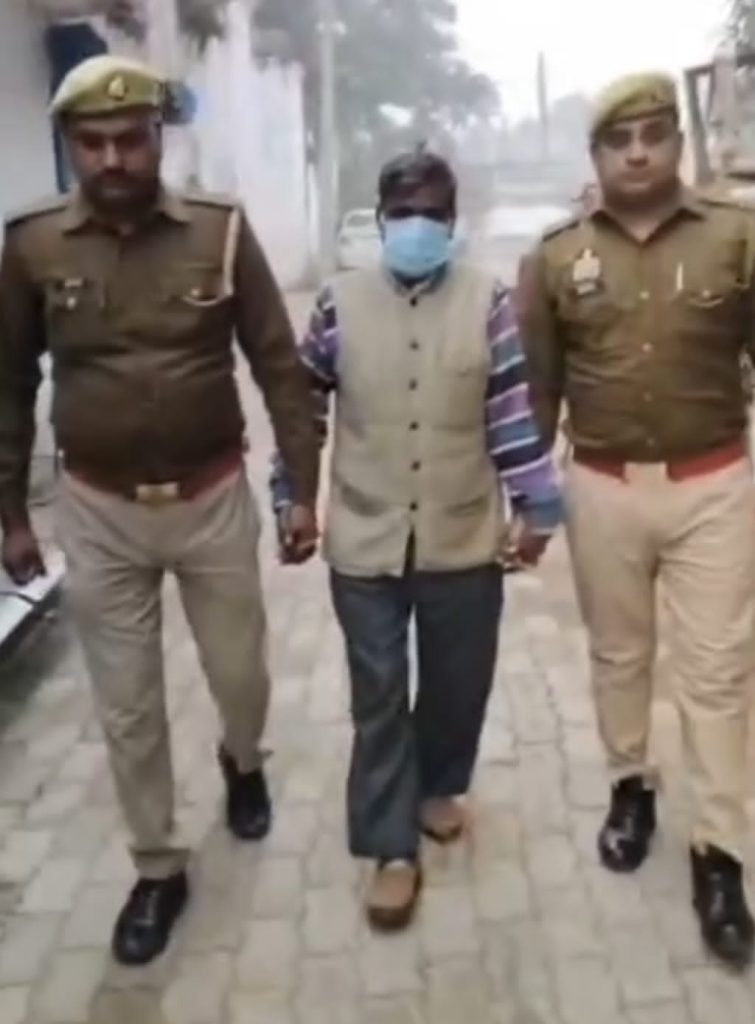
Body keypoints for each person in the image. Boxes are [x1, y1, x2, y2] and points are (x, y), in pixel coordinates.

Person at [0, 55, 319, 966]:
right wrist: (11, 515)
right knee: (128, 707)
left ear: (157, 139)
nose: (112, 159)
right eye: (92, 143)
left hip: (211, 495)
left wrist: (300, 487)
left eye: (129, 140)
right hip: (97, 509)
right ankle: (157, 866)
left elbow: (278, 363)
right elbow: (8, 383)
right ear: (70, 145)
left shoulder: (218, 231)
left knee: (241, 677)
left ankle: (243, 760)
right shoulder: (31, 246)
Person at [271, 150, 563, 930]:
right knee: (377, 695)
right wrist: (291, 496)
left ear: (453, 221)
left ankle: (437, 784)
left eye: (433, 213)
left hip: (459, 532)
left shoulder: (485, 301)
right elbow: (302, 411)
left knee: (457, 683)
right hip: (364, 536)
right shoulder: (337, 303)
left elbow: (509, 410)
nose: (417, 226)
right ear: (380, 218)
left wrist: (537, 506)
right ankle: (390, 847)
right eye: (402, 212)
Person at [521, 71, 755, 969]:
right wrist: (529, 499)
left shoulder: (735, 235)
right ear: (596, 156)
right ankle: (630, 787)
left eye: (653, 135)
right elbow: (538, 389)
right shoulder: (555, 256)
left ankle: (719, 855)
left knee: (717, 673)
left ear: (675, 144)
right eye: (618, 142)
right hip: (602, 486)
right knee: (619, 656)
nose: (637, 154)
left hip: (712, 485)